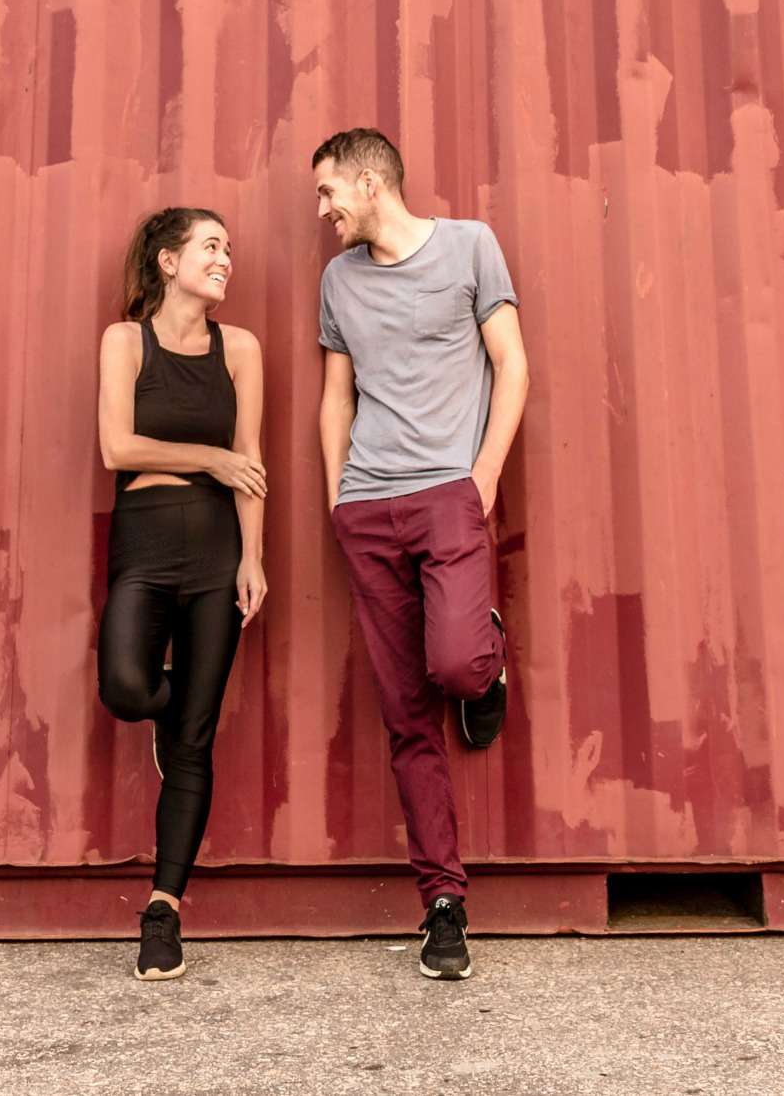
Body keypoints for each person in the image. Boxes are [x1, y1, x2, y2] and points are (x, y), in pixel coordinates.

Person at [314, 129, 529, 981]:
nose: (323, 211)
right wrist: (336, 497)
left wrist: (479, 481)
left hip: (449, 496)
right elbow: (336, 397)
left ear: (371, 183)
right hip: (367, 506)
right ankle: (443, 904)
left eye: (330, 192)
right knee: (406, 716)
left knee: (454, 667)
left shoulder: (471, 246)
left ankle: (489, 658)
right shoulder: (338, 280)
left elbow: (510, 367)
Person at [96, 207, 267, 981]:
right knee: (127, 688)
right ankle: (172, 709)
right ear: (167, 262)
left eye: (227, 249)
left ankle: (163, 911)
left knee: (194, 743)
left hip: (215, 552)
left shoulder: (242, 349)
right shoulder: (125, 341)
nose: (224, 259)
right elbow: (116, 447)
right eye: (209, 247)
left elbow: (251, 461)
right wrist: (211, 457)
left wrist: (253, 558)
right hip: (145, 536)